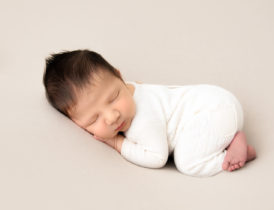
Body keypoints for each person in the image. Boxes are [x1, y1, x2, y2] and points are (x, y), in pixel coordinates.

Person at [43, 49, 256, 177]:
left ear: (119, 77)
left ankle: (232, 155)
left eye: (113, 98)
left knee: (187, 162)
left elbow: (157, 157)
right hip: (216, 100)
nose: (112, 116)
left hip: (213, 113)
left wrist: (118, 144)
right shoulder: (133, 88)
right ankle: (227, 137)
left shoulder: (142, 120)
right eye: (94, 119)